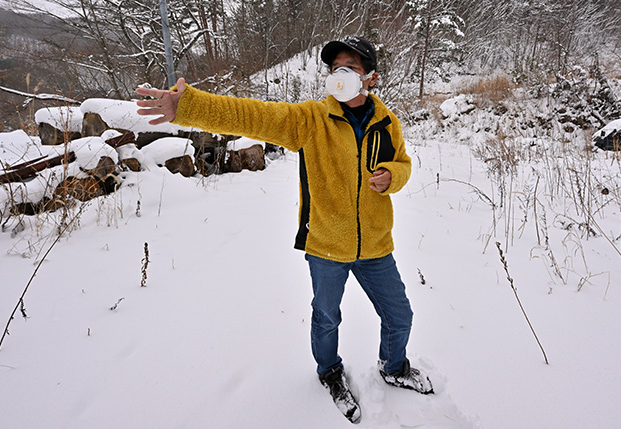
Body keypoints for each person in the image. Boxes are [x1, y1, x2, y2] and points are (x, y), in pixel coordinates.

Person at [136, 36, 432, 423]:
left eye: (352, 69)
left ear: (371, 78)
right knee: (327, 317)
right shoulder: (311, 120)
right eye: (335, 69)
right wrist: (189, 106)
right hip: (326, 244)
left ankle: (393, 367)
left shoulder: (386, 121)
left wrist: (392, 176)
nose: (341, 75)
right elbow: (253, 115)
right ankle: (329, 373)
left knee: (400, 314)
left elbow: (404, 164)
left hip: (376, 243)